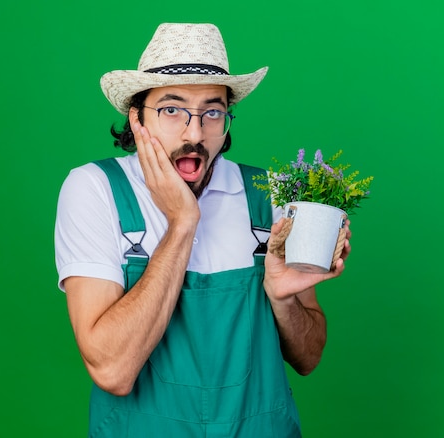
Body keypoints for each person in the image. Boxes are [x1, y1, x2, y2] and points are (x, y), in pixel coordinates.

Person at [54, 23, 352, 437]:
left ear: (226, 121)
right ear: (136, 118)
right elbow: (112, 369)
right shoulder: (95, 190)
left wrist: (283, 300)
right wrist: (182, 223)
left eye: (212, 112)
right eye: (171, 109)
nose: (194, 134)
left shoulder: (273, 195)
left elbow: (308, 357)